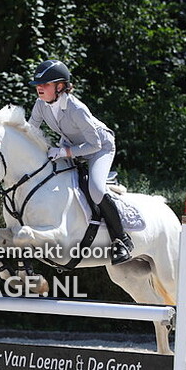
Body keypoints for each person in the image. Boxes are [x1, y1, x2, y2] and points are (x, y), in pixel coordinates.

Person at [27, 59, 132, 265]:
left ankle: (121, 240)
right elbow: (30, 131)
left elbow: (94, 144)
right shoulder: (41, 105)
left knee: (96, 190)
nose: (39, 88)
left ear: (60, 86)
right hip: (71, 147)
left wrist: (64, 152)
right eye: (38, 84)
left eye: (45, 84)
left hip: (99, 148)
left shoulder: (76, 108)